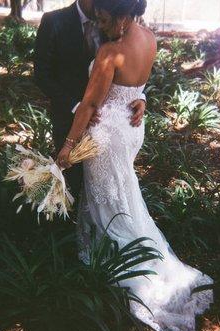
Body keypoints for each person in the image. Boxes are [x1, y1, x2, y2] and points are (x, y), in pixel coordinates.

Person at [55, 0, 213, 331]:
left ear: (124, 15)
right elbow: (136, 86)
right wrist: (142, 99)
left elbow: (89, 106)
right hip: (130, 127)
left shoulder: (110, 53)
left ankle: (118, 259)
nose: (99, 24)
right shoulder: (149, 37)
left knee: (108, 198)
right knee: (121, 192)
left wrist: (67, 147)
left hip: (107, 136)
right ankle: (113, 248)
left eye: (104, 18)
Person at [33, 0, 146, 200]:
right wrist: (75, 106)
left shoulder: (114, 15)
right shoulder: (54, 21)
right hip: (68, 116)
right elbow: (42, 75)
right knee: (70, 181)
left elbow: (136, 60)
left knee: (107, 188)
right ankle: (66, 226)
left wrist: (140, 97)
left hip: (108, 128)